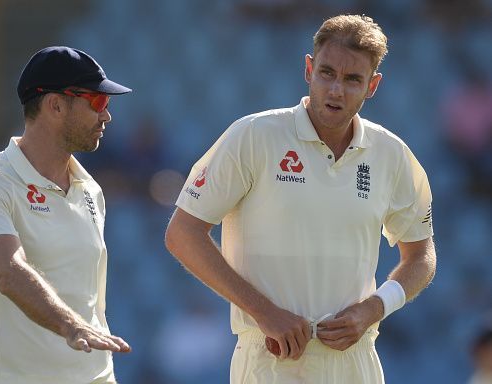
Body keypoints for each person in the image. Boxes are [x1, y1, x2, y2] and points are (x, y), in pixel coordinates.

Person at [165, 14, 436, 383]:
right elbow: (183, 233)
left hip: (356, 362)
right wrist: (264, 312)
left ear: (373, 85)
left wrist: (373, 309)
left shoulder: (392, 154)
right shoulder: (254, 136)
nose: (336, 90)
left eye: (352, 79)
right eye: (327, 73)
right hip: (269, 360)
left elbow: (421, 256)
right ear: (309, 69)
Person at [0, 46, 132, 384]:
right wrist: (71, 325)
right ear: (55, 105)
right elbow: (8, 271)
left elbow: (90, 301)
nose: (106, 116)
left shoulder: (90, 189)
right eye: (98, 102)